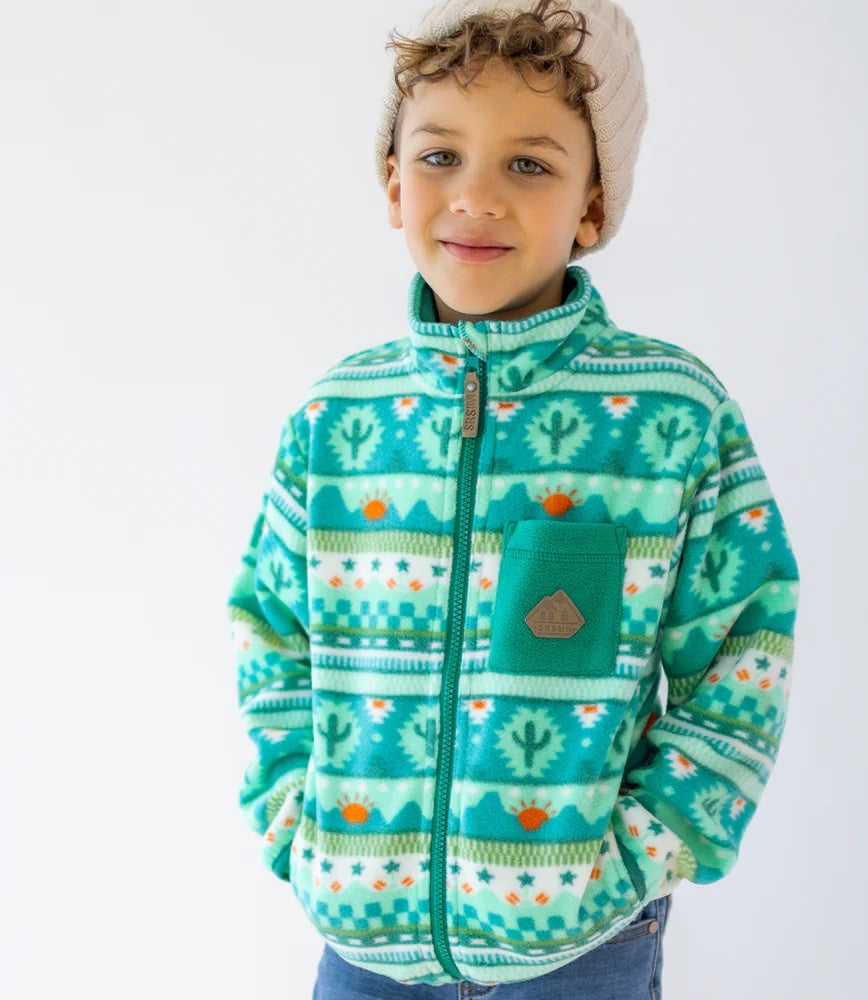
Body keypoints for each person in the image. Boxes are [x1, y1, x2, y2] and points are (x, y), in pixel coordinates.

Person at [227, 1, 800, 996]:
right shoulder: (334, 419)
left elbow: (743, 646)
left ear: (592, 205)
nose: (476, 197)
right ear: (394, 182)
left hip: (583, 953)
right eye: (440, 156)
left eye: (528, 164)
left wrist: (640, 852)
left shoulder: (668, 416)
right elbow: (271, 631)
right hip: (363, 952)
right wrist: (297, 826)